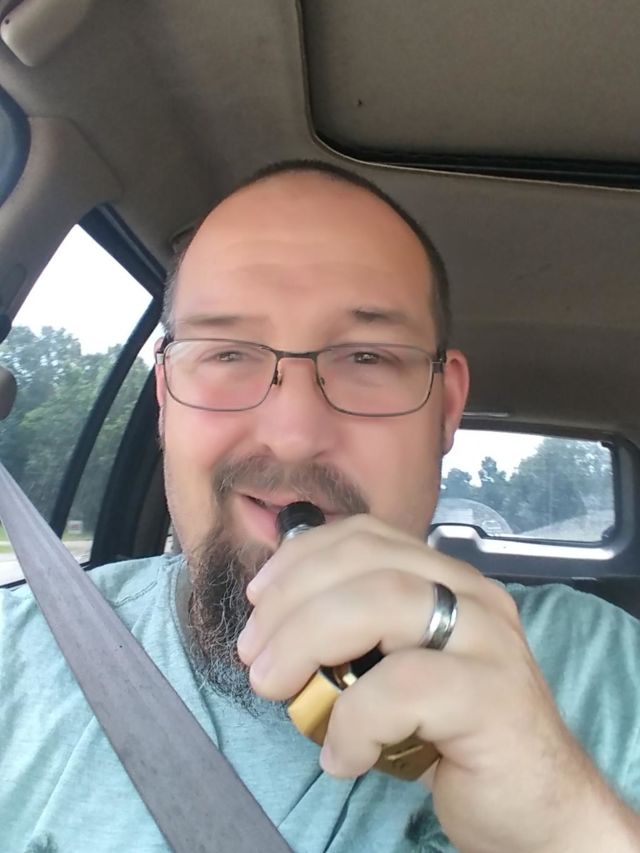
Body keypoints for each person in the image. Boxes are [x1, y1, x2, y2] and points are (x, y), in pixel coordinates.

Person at [2, 160, 640, 853]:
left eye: (367, 356)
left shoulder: (609, 669)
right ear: (164, 398)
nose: (293, 433)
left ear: (446, 407)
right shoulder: (17, 655)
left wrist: (572, 822)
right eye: (227, 353)